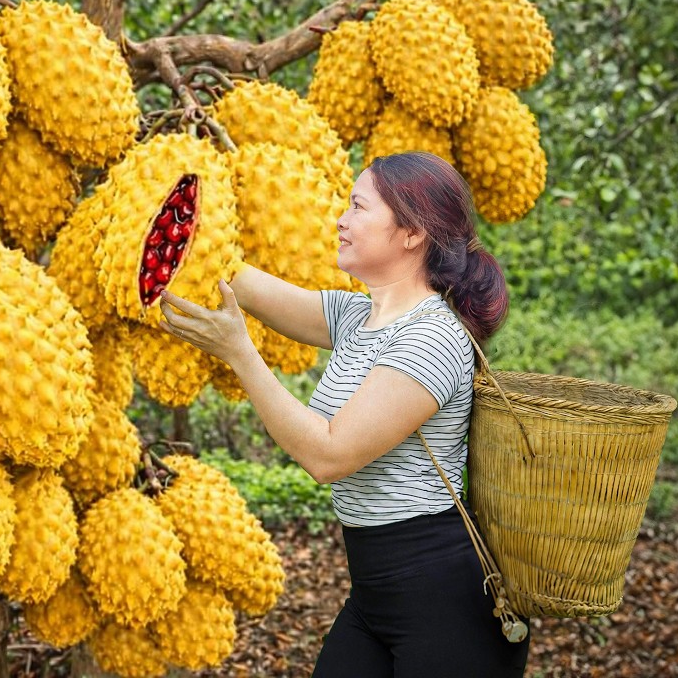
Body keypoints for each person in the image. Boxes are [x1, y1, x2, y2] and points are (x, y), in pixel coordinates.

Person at [158, 151, 530, 677]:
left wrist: (239, 352)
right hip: (375, 592)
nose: (341, 219)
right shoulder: (357, 318)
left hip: (444, 600)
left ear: (411, 234)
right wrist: (169, 218)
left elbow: (329, 455)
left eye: (358, 207)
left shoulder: (434, 336)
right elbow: (229, 274)